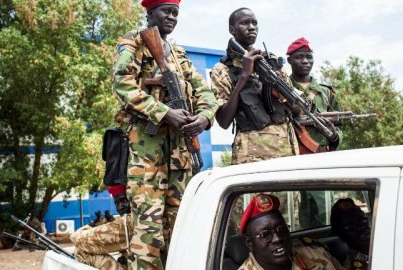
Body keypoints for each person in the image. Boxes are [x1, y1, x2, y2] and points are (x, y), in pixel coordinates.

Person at [71, 0, 218, 269]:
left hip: (180, 159)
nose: (172, 17)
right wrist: (163, 113)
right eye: (166, 11)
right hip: (145, 157)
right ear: (150, 13)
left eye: (176, 13)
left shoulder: (179, 55)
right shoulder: (134, 42)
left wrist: (204, 117)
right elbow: (123, 86)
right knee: (148, 233)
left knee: (180, 229)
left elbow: (204, 92)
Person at [210, 7, 300, 165]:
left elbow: (297, 110)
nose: (251, 27)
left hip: (286, 153)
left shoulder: (271, 63)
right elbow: (223, 121)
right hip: (251, 157)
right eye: (245, 23)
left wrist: (281, 92)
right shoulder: (222, 69)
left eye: (254, 23)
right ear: (232, 29)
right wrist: (244, 75)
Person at [239, 193, 344, 270]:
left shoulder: (315, 252)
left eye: (282, 229)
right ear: (249, 243)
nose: (278, 238)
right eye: (265, 234)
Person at [286, 37, 342, 155]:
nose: (305, 61)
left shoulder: (326, 93)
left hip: (321, 155)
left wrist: (334, 135)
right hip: (290, 154)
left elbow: (340, 127)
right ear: (289, 60)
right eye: (299, 57)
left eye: (309, 57)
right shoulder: (282, 89)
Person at [330, 198, 370, 270]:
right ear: (342, 235)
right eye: (351, 228)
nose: (361, 228)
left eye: (363, 221)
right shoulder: (354, 266)